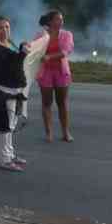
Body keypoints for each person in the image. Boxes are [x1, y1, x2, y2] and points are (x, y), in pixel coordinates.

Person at [0, 17, 30, 172]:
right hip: (2, 92)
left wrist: (21, 49)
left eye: (7, 27)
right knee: (3, 127)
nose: (4, 30)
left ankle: (9, 154)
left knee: (10, 126)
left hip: (13, 91)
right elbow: (9, 67)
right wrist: (22, 53)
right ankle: (3, 159)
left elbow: (16, 61)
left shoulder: (8, 44)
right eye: (0, 27)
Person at [36, 10, 74, 142]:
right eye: (58, 19)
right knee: (46, 103)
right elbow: (35, 50)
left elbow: (65, 51)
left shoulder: (67, 35)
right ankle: (49, 133)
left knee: (62, 103)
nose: (61, 22)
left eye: (62, 20)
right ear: (50, 21)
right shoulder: (41, 35)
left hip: (61, 72)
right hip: (45, 72)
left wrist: (49, 56)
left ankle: (65, 132)